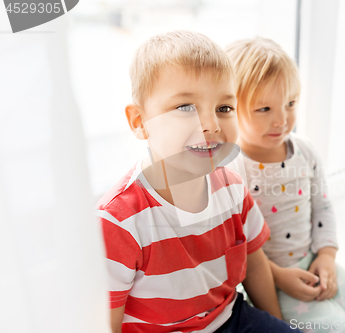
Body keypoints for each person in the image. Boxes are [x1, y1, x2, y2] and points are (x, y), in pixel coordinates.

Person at [96, 30, 301, 333]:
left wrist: (278, 325)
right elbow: (105, 322)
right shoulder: (117, 222)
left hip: (233, 318)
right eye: (185, 108)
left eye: (223, 108)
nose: (211, 125)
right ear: (140, 123)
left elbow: (254, 264)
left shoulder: (231, 187)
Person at [225, 37, 345, 333]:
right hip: (274, 281)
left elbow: (322, 208)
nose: (282, 119)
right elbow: (238, 247)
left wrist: (326, 256)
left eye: (290, 103)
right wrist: (280, 277)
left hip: (315, 262)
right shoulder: (234, 168)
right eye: (264, 109)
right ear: (231, 107)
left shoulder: (304, 151)